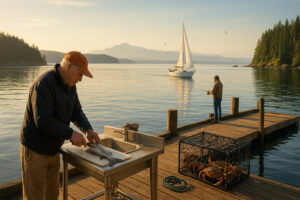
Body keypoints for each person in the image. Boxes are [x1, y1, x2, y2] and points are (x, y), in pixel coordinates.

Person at [19, 51, 100, 200]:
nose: (81, 79)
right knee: (34, 197)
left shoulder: (70, 85)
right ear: (68, 66)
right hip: (35, 151)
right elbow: (43, 121)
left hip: (54, 150)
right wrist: (71, 134)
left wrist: (87, 129)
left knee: (52, 195)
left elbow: (76, 111)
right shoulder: (44, 83)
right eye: (80, 74)